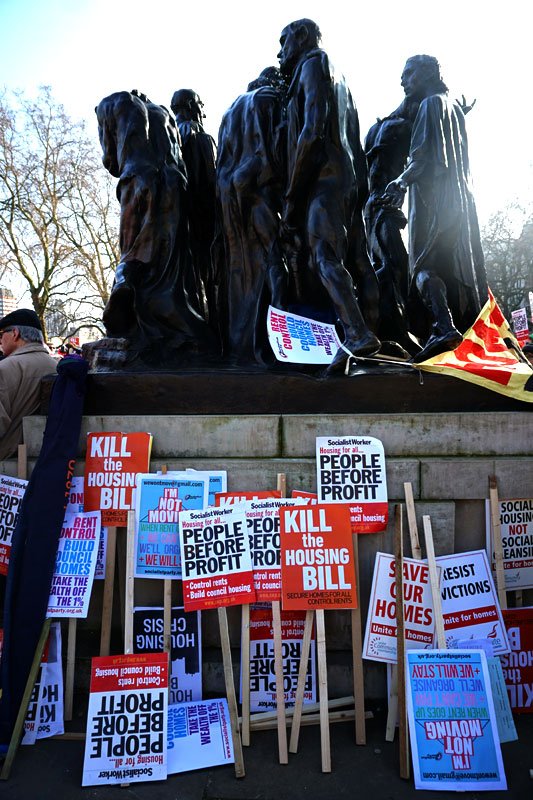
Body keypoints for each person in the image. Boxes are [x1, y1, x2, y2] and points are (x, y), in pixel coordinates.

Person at [278, 19, 380, 372]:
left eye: (284, 41)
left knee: (325, 258)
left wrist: (292, 197)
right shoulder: (341, 79)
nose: (280, 52)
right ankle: (371, 329)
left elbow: (311, 130)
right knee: (358, 260)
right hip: (348, 181)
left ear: (302, 36)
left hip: (325, 179)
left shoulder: (312, 64)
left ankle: (357, 334)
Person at [381, 55, 488, 361]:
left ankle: (444, 326)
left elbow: (422, 158)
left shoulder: (430, 105)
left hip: (434, 201)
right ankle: (458, 332)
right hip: (460, 202)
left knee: (422, 269)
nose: (403, 81)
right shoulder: (452, 106)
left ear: (427, 73)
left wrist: (400, 182)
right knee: (452, 270)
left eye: (409, 74)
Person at [216, 67, 289, 364]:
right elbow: (271, 153)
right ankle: (274, 341)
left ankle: (242, 344)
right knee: (274, 262)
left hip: (228, 192)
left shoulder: (231, 109)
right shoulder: (268, 98)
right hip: (258, 187)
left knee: (240, 270)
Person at [170, 90, 218, 327]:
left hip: (175, 222)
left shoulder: (166, 137)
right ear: (190, 105)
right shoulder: (200, 137)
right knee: (210, 276)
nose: (203, 111)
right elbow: (212, 183)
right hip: (203, 218)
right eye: (200, 104)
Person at [0, 309, 57, 461]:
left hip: (7, 455)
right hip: (45, 453)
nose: (0, 340)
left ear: (15, 333)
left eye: (1, 334)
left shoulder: (4, 368)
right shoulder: (55, 365)